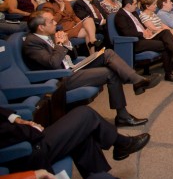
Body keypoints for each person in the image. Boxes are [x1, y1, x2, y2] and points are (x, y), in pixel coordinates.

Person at [23, 11, 160, 126]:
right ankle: (124, 114)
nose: (55, 23)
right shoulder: (32, 42)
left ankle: (137, 81)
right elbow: (52, 63)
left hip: (72, 67)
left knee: (108, 53)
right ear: (41, 27)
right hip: (62, 77)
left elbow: (73, 55)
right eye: (51, 21)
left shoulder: (50, 35)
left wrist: (67, 43)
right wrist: (61, 45)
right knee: (110, 73)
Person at [0, 105, 150, 179]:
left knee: (83, 133)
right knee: (85, 115)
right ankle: (121, 143)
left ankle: (100, 178)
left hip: (27, 137)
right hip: (23, 150)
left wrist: (16, 119)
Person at [114, 0, 173, 82]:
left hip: (145, 37)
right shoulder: (120, 16)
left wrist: (146, 30)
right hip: (135, 42)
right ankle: (169, 71)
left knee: (166, 32)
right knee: (165, 45)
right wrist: (142, 33)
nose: (136, 6)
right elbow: (126, 33)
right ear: (128, 5)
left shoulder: (134, 13)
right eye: (135, 4)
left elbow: (139, 25)